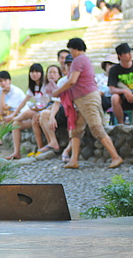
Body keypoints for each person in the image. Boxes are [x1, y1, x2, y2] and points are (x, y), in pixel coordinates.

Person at [52, 38, 123, 169]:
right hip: (83, 100)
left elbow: (72, 81)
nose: (70, 53)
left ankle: (115, 156)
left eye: (71, 50)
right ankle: (74, 160)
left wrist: (57, 91)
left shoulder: (79, 60)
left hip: (87, 99)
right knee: (76, 129)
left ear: (74, 49)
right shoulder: (84, 60)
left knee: (96, 127)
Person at [3, 63, 48, 160]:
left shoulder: (45, 85)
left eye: (36, 72)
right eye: (32, 72)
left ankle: (12, 119)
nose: (34, 74)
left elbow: (48, 103)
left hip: (45, 112)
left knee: (28, 112)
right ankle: (16, 153)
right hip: (36, 113)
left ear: (41, 73)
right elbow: (24, 102)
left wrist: (13, 115)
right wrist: (15, 113)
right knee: (16, 123)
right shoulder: (32, 87)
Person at [39, 55, 73, 157]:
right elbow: (57, 103)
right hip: (64, 110)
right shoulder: (62, 81)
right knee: (44, 114)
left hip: (76, 110)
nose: (70, 67)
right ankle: (53, 142)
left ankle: (68, 151)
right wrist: (52, 117)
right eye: (68, 65)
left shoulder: (82, 79)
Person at [108, 43, 133, 125]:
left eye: (130, 52)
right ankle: (121, 124)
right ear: (120, 56)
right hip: (123, 97)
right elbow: (112, 89)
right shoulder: (114, 70)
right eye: (126, 53)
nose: (130, 55)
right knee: (114, 98)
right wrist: (125, 91)